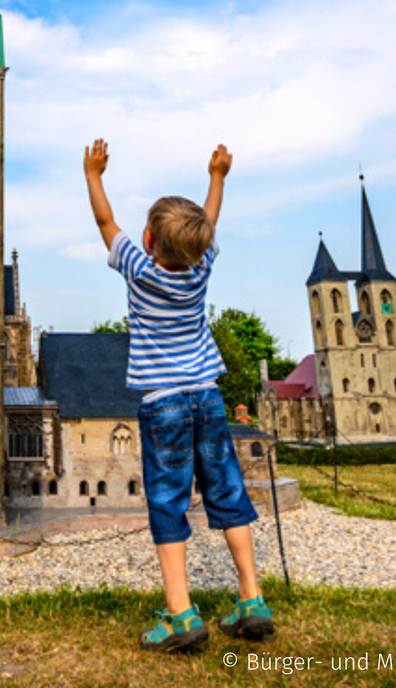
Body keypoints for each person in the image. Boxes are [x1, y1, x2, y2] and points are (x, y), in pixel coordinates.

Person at [83, 139, 274, 652]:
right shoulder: (201, 270)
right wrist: (218, 177)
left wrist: (93, 174)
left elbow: (105, 223)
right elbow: (207, 222)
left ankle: (180, 613)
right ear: (198, 247)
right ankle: (252, 598)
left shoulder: (139, 270)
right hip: (208, 398)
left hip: (162, 402)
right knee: (227, 492)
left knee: (168, 502)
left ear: (146, 239)